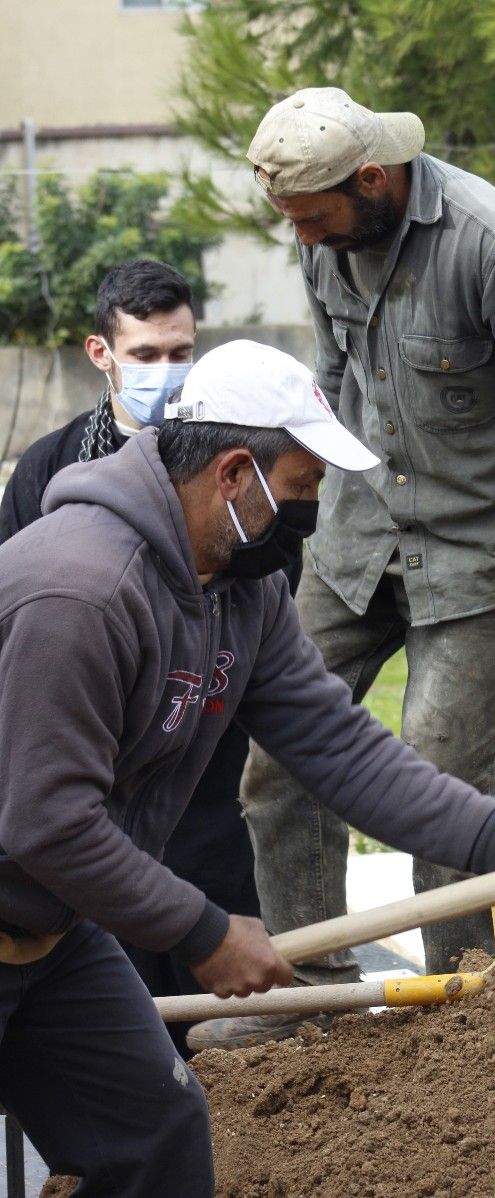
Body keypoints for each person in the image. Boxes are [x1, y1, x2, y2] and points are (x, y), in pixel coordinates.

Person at [0, 339, 495, 1198]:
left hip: (53, 937)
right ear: (235, 473)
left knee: (158, 1139)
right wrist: (204, 931)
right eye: (304, 488)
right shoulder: (83, 592)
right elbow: (45, 821)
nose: (314, 511)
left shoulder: (241, 592)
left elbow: (339, 745)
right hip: (21, 892)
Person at [186, 87, 495, 1050]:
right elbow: (337, 380)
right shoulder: (326, 238)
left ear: (373, 178)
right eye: (291, 223)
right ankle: (313, 991)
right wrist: (300, 511)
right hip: (357, 544)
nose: (304, 239)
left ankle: (466, 1016)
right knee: (274, 768)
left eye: (316, 218)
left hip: (484, 559)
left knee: (441, 790)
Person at [0, 260, 264, 1053]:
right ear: (100, 353)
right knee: (117, 1013)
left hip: (204, 771)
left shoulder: (231, 462)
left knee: (216, 1017)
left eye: (181, 352)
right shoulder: (49, 467)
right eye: (145, 354)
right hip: (94, 781)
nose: (165, 371)